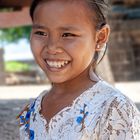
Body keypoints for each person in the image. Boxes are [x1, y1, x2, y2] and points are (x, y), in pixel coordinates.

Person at [17, 0, 140, 139]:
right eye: (40, 33)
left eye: (67, 34)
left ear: (100, 38)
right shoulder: (32, 111)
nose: (51, 47)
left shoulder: (113, 109)